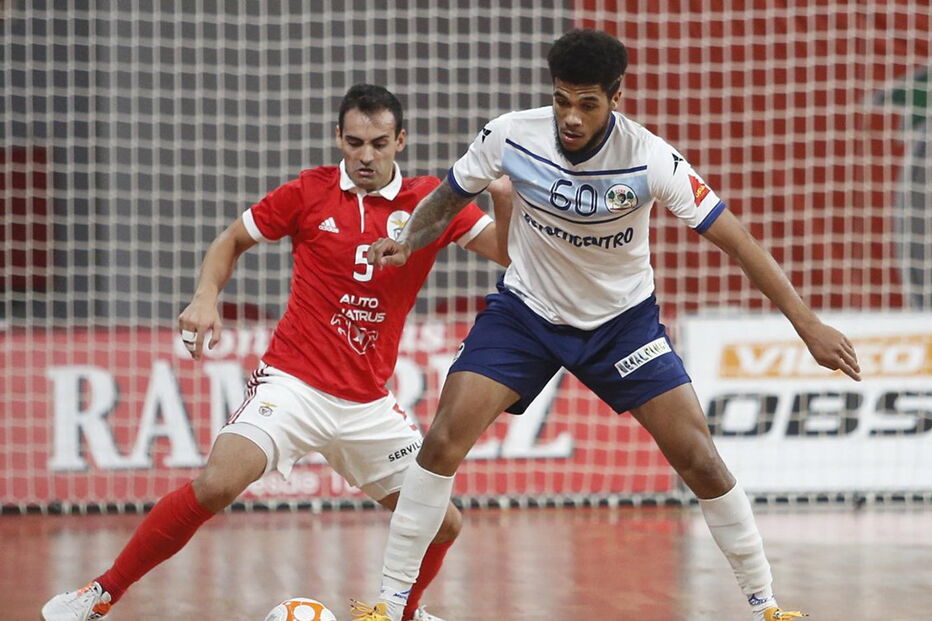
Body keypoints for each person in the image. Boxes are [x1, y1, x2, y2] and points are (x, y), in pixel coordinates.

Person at [352, 30, 862, 621]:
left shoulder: (650, 159)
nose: (570, 117)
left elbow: (738, 241)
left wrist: (807, 325)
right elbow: (450, 193)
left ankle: (764, 605)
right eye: (562, 99)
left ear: (616, 96)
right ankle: (388, 605)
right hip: (527, 314)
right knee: (442, 439)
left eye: (587, 103)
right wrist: (408, 239)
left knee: (699, 458)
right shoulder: (512, 134)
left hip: (623, 324)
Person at [41, 84, 511, 621]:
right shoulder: (307, 193)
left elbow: (504, 250)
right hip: (293, 384)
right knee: (217, 484)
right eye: (354, 142)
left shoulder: (430, 204)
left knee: (444, 523)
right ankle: (99, 595)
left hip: (366, 405)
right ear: (339, 137)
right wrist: (205, 297)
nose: (365, 155)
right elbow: (231, 240)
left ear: (400, 141)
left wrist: (501, 197)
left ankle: (404, 614)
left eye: (379, 142)